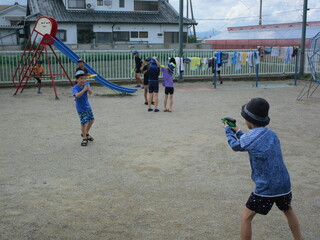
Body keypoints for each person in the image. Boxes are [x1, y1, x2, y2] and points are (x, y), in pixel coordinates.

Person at [222, 98, 302, 240]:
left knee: (246, 217)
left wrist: (228, 130)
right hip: (283, 183)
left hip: (266, 186)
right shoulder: (272, 134)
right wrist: (238, 130)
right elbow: (251, 141)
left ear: (249, 121)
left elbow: (236, 145)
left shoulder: (250, 138)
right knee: (287, 209)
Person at [72, 70, 95, 147]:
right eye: (81, 78)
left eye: (84, 78)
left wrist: (88, 89)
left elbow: (91, 93)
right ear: (77, 79)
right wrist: (84, 90)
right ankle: (84, 138)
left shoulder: (86, 85)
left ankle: (85, 133)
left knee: (91, 120)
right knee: (83, 123)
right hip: (81, 108)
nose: (83, 80)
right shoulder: (75, 88)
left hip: (87, 106)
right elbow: (77, 96)